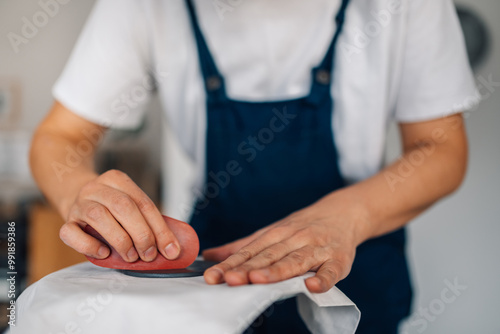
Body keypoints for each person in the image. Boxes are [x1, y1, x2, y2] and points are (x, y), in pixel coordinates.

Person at [30, 0, 476, 333]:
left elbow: (440, 149)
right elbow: (60, 138)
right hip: (215, 279)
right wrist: (78, 191)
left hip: (361, 277)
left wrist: (346, 217)